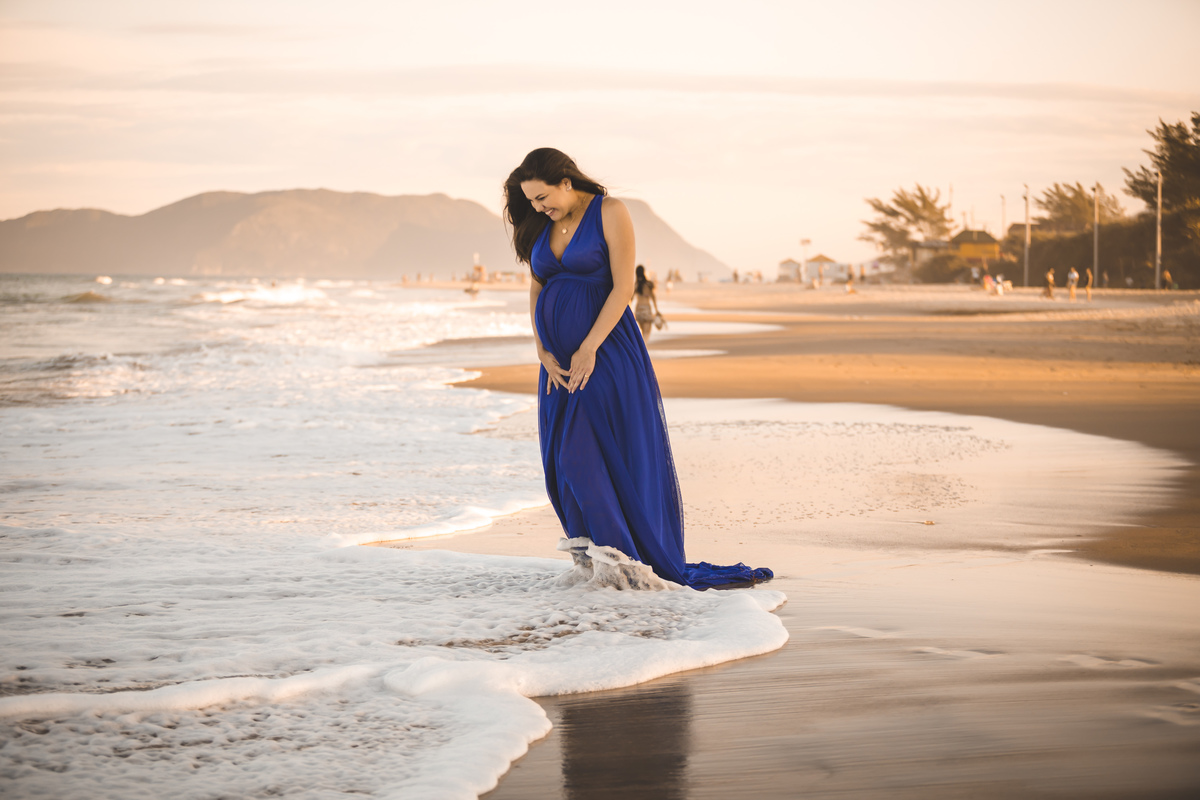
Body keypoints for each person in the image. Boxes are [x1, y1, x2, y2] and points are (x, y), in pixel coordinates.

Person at [503, 148, 772, 589]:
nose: (538, 207)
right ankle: (599, 568)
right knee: (562, 465)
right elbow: (537, 286)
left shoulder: (610, 211)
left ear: (566, 181)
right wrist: (540, 346)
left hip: (604, 353)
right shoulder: (542, 226)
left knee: (582, 455)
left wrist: (589, 346)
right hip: (556, 365)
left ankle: (625, 565)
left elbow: (623, 286)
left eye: (542, 197)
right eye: (530, 201)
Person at [633, 264, 661, 340]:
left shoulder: (636, 285)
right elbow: (653, 298)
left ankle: (641, 349)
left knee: (642, 332)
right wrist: (656, 310)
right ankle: (643, 349)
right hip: (646, 309)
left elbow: (630, 298)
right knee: (646, 333)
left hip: (638, 309)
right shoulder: (648, 285)